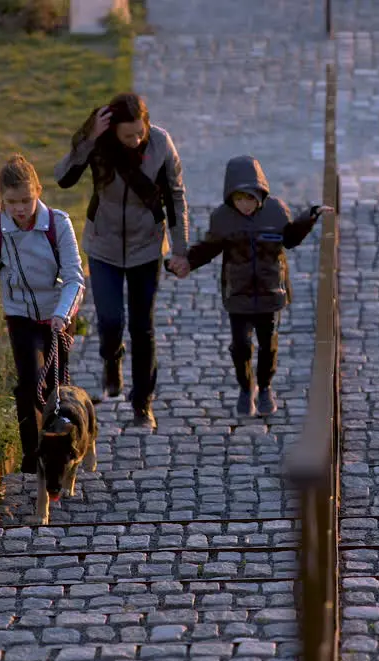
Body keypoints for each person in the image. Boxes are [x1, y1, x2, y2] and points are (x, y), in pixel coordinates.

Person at [54, 93, 189, 430]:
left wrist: (181, 248)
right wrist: (88, 139)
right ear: (113, 130)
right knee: (110, 319)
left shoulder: (161, 144)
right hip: (104, 247)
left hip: (147, 247)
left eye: (139, 133)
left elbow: (176, 196)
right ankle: (111, 359)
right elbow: (63, 178)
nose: (135, 140)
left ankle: (143, 403)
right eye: (127, 135)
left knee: (142, 327)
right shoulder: (99, 145)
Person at [169, 155, 333, 417]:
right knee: (241, 346)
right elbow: (209, 249)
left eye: (249, 199)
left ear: (260, 195)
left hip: (271, 292)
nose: (244, 205)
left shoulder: (276, 211)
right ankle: (246, 388)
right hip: (238, 295)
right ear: (230, 198)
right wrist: (185, 262)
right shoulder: (222, 218)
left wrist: (309, 218)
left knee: (268, 346)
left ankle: (265, 386)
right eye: (239, 199)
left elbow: (290, 239)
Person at [0, 154, 85, 475]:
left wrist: (62, 313)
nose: (20, 208)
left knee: (55, 390)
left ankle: (62, 451)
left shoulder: (59, 223)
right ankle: (32, 456)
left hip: (57, 314)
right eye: (12, 201)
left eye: (26, 200)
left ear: (38, 192)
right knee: (29, 384)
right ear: (1, 199)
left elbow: (75, 277)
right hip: (19, 316)